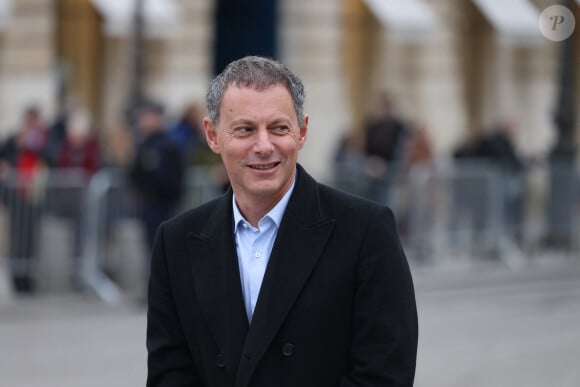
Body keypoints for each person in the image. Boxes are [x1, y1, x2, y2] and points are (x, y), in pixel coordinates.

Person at [146, 56, 418, 386]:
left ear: (301, 132)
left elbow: (384, 374)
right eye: (245, 129)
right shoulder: (176, 242)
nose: (264, 146)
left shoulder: (366, 232)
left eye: (278, 128)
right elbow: (169, 374)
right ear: (213, 135)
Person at [0, 106, 49, 293]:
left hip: (35, 196)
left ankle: (29, 277)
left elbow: (49, 157)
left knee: (32, 239)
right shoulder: (13, 139)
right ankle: (17, 277)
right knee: (17, 239)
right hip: (17, 198)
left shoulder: (43, 139)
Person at [129, 101, 185, 253]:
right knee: (151, 248)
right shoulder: (144, 143)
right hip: (148, 204)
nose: (142, 121)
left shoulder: (167, 145)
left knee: (161, 247)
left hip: (163, 204)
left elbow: (172, 177)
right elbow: (135, 173)